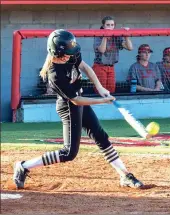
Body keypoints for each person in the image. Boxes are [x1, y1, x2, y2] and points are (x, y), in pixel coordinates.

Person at [13, 29, 143, 190]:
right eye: (66, 53)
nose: (70, 56)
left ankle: (125, 175)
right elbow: (76, 101)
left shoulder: (71, 54)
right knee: (69, 153)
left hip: (79, 100)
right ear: (56, 52)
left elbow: (85, 67)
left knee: (101, 137)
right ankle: (24, 166)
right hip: (69, 107)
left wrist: (100, 87)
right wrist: (102, 100)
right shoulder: (55, 75)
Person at [92, 16, 133, 93]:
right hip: (100, 66)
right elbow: (102, 50)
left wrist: (126, 36)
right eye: (108, 25)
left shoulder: (116, 35)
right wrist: (105, 37)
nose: (110, 27)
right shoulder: (98, 35)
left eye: (112, 25)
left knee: (111, 91)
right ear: (103, 26)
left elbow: (130, 48)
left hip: (111, 67)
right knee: (101, 92)